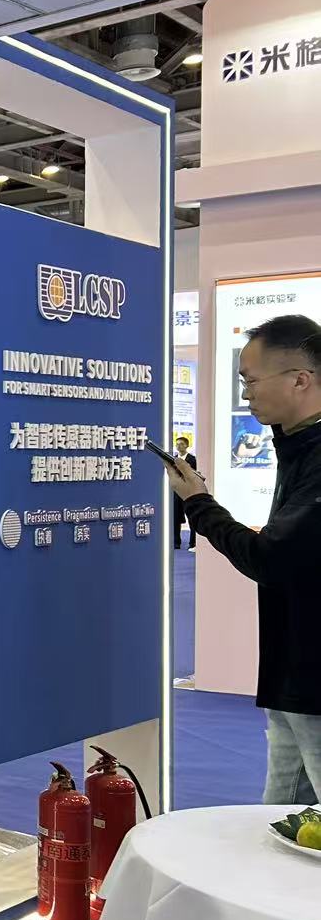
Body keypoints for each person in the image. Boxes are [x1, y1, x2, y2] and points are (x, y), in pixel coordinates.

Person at [167, 315, 321, 805]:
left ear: (300, 380)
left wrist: (199, 505)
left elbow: (271, 557)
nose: (246, 394)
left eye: (251, 381)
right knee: (280, 818)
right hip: (293, 675)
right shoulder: (298, 449)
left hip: (312, 679)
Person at [172, 434, 198, 550]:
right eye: (177, 444)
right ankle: (176, 542)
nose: (179, 446)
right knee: (175, 518)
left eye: (181, 444)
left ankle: (193, 543)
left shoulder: (193, 459)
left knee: (191, 518)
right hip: (176, 492)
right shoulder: (172, 458)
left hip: (189, 492)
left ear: (187, 446)